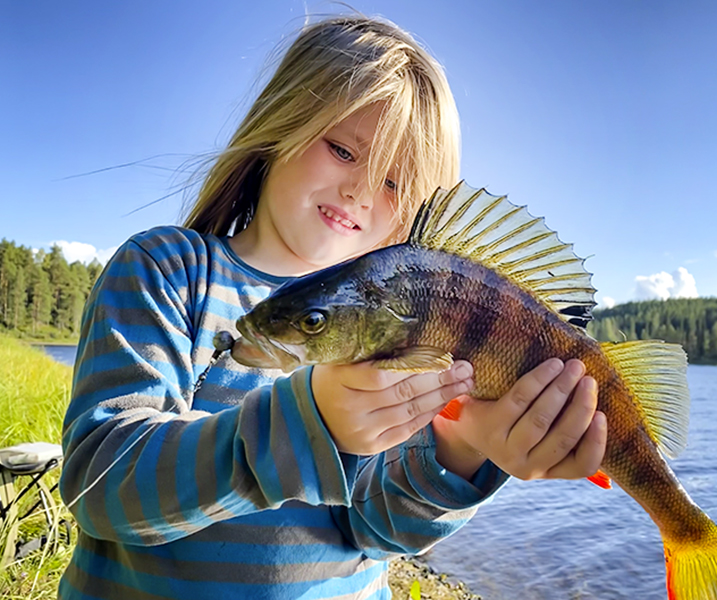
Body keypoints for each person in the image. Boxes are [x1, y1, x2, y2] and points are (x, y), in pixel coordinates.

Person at [59, 14, 606, 600]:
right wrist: (303, 426)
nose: (361, 192)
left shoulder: (403, 333)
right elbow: (103, 492)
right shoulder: (169, 270)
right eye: (344, 150)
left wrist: (464, 450)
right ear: (282, 122)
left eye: (396, 184)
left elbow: (378, 530)